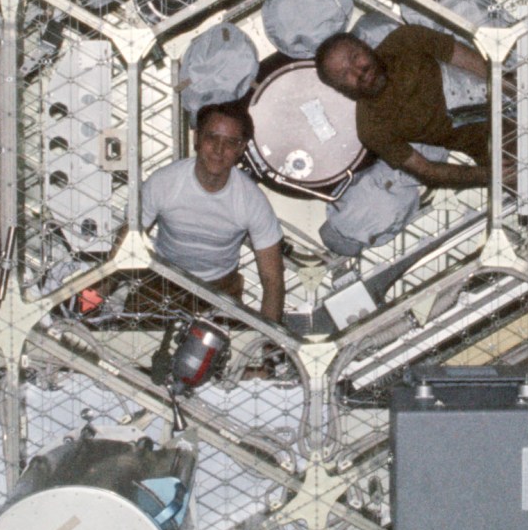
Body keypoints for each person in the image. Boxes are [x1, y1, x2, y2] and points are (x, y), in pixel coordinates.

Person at [140, 101, 286, 323]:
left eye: (230, 142)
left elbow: (272, 279)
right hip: (163, 280)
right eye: (212, 137)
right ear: (197, 138)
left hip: (220, 290)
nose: (219, 150)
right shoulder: (163, 183)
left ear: (241, 148)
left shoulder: (252, 200)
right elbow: (126, 241)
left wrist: (269, 344)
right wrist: (95, 296)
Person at [314, 25, 495, 190]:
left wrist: (512, 87)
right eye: (344, 74)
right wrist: (490, 176)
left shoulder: (405, 39)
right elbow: (428, 172)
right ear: (340, 89)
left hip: (495, 92)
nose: (358, 71)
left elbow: (481, 67)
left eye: (355, 57)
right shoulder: (371, 129)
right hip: (492, 143)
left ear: (364, 45)